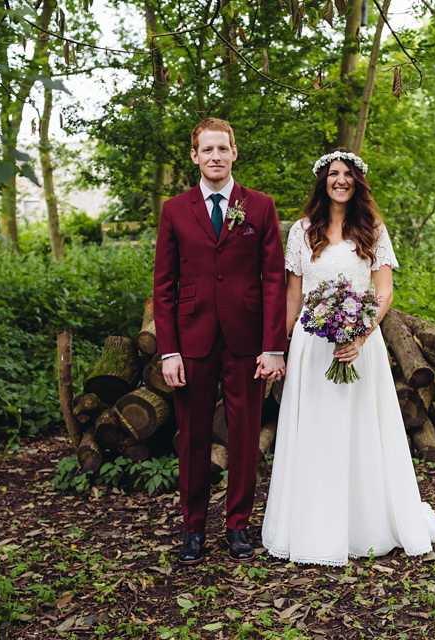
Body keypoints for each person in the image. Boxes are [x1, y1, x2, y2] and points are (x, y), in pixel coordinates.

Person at [261, 148, 435, 566]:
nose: (339, 180)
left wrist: (360, 336)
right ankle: (312, 526)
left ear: (356, 182)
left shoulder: (373, 230)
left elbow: (384, 292)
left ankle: (366, 524)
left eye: (346, 174)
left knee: (362, 430)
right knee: (317, 432)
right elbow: (293, 295)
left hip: (360, 346)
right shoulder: (302, 231)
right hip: (312, 345)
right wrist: (280, 343)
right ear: (322, 182)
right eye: (332, 174)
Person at [153, 118, 287, 565]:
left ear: (234, 153)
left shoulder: (261, 206)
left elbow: (272, 280)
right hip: (191, 340)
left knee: (245, 434)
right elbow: (165, 285)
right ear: (195, 156)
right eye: (206, 150)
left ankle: (237, 526)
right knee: (190, 435)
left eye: (222, 149)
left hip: (248, 341)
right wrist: (168, 350)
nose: (214, 156)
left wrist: (273, 347)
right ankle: (192, 527)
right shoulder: (175, 209)